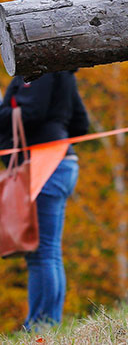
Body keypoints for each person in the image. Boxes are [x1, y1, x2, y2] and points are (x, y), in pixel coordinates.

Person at [0, 71, 89, 331]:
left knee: (41, 254)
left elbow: (32, 112)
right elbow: (80, 123)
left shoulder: (36, 71)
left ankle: (42, 324)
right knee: (47, 252)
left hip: (45, 165)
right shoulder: (61, 71)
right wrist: (56, 131)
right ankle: (47, 322)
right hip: (60, 162)